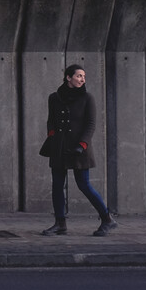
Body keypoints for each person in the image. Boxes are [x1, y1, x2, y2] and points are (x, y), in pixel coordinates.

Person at [39, 63, 117, 236]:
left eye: (83, 77)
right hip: (59, 146)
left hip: (79, 148)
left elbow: (90, 125)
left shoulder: (87, 98)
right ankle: (60, 224)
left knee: (84, 185)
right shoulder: (54, 97)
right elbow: (51, 120)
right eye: (79, 76)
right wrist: (52, 137)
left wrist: (82, 145)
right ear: (68, 77)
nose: (82, 79)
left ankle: (107, 219)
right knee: (57, 185)